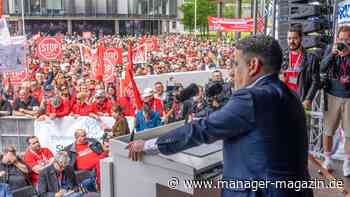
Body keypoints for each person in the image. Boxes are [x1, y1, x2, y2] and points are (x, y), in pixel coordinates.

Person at [127, 35, 312, 197]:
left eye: (235, 64)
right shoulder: (290, 94)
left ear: (253, 65)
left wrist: (149, 145)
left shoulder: (252, 97)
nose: (231, 72)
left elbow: (203, 130)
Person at [321, 25, 350, 176]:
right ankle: (328, 159)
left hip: (349, 97)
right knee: (328, 129)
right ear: (337, 38)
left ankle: (347, 162)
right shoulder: (330, 49)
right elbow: (322, 68)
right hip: (332, 94)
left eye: (347, 40)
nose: (343, 43)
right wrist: (333, 54)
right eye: (341, 39)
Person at [282, 24, 320, 109]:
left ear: (301, 38)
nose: (291, 41)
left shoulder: (311, 58)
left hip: (301, 101)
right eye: (289, 38)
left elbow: (316, 82)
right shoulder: (282, 56)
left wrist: (308, 99)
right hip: (284, 99)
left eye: (295, 38)